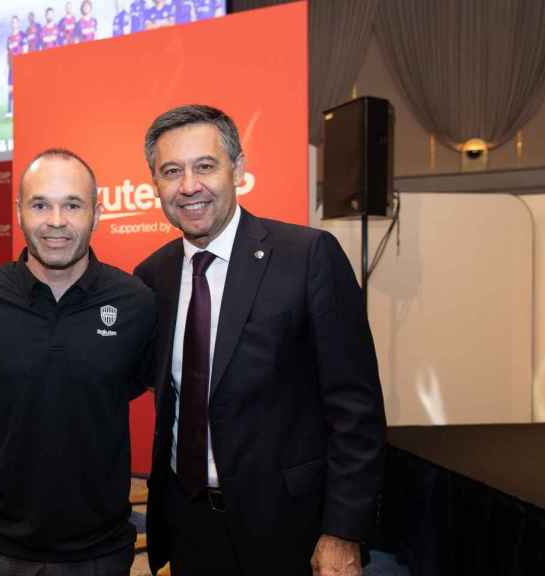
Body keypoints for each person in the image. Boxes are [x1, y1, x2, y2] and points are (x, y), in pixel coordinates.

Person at [134, 104, 387, 575]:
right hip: (189, 522)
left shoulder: (308, 257)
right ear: (156, 185)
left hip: (290, 529)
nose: (189, 186)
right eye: (172, 171)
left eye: (205, 166)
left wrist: (343, 530)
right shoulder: (152, 276)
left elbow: (356, 408)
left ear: (238, 170)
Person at [0, 149, 156, 574]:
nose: (56, 220)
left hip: (97, 550)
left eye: (72, 205)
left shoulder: (135, 302)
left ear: (96, 213)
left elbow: (129, 385)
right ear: (20, 211)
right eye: (40, 204)